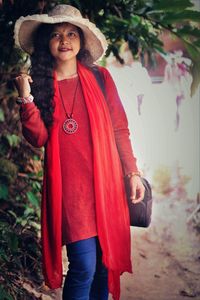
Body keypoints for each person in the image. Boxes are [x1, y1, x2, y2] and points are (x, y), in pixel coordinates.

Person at [14, 5, 145, 300]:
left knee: (102, 265)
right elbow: (38, 138)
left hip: (106, 184)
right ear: (47, 44)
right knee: (84, 265)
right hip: (71, 191)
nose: (65, 40)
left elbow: (119, 129)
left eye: (72, 33)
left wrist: (132, 172)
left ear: (81, 41)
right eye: (57, 34)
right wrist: (26, 97)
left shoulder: (101, 78)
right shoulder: (42, 87)